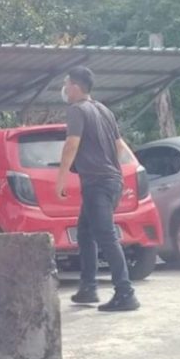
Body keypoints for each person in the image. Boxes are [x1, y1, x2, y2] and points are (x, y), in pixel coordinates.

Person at [56, 66, 141, 312]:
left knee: (105, 236)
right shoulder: (104, 110)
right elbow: (119, 146)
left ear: (75, 86)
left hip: (97, 183)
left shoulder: (76, 110)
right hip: (111, 181)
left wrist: (61, 179)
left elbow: (71, 144)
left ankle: (125, 293)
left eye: (66, 83)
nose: (64, 88)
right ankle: (88, 288)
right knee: (85, 232)